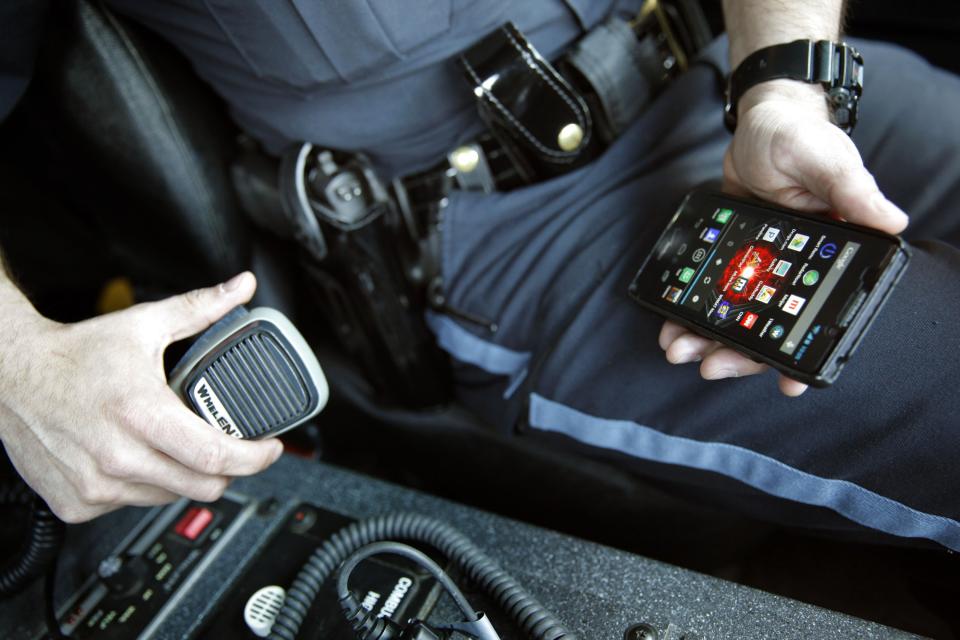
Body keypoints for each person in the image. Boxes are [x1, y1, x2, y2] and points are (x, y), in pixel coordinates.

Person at [1, 0, 959, 555]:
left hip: (749, 84)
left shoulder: (779, 88)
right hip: (516, 230)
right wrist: (18, 365)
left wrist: (786, 84)